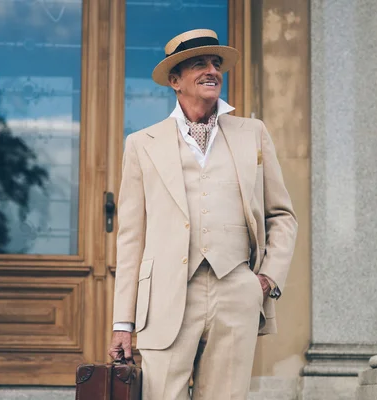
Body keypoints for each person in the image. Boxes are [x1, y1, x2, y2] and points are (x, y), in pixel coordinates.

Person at [108, 28, 298, 399]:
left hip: (235, 292)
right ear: (175, 81)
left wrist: (266, 278)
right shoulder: (142, 144)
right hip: (164, 298)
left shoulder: (252, 133)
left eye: (216, 63)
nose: (212, 70)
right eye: (200, 64)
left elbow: (281, 215)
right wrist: (122, 323)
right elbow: (131, 237)